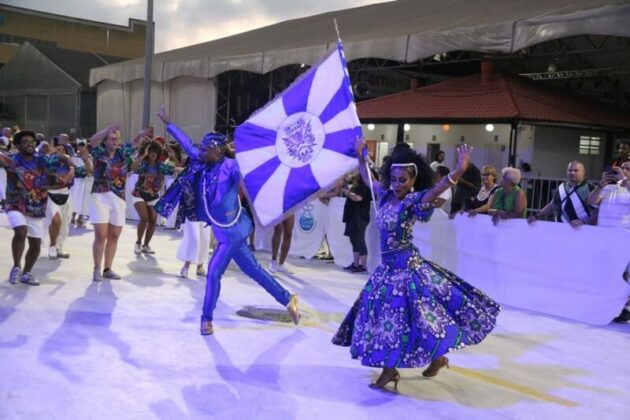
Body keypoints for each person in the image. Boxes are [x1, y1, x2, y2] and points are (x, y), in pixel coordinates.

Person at [332, 141, 500, 390]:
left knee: (408, 319)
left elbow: (439, 188)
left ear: (412, 181)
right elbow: (368, 179)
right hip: (387, 270)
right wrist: (360, 158)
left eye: (403, 180)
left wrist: (459, 170)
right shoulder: (386, 195)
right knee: (394, 319)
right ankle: (431, 360)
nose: (398, 184)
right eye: (394, 179)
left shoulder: (412, 202)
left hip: (407, 270)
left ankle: (394, 370)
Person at [155, 106, 300, 336]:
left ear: (217, 151)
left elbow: (252, 179)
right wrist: (169, 123)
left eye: (205, 149)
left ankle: (206, 319)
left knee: (213, 273)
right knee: (256, 272)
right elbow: (186, 144)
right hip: (223, 232)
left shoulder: (232, 167)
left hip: (233, 231)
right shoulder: (203, 162)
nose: (200, 151)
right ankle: (288, 299)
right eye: (201, 148)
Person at [0, 130, 75, 285]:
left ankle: (26, 273)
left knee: (35, 245)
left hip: (36, 207)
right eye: (26, 141)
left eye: (32, 141)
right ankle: (16, 267)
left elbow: (61, 157)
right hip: (16, 204)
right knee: (21, 231)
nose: (30, 144)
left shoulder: (42, 160)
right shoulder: (11, 160)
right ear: (18, 145)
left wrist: (71, 167)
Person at [88, 124, 145, 281]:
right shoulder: (99, 151)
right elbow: (93, 140)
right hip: (100, 194)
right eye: (112, 138)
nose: (115, 141)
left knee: (114, 235)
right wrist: (106, 130)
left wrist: (141, 134)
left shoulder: (123, 152)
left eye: (117, 138)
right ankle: (96, 268)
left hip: (119, 197)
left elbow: (134, 142)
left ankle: (108, 269)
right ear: (105, 140)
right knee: (101, 234)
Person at [129, 140, 176, 255]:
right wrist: (143, 155)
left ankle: (146, 245)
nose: (153, 154)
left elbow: (175, 169)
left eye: (155, 152)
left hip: (153, 195)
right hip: (139, 193)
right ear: (147, 152)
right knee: (144, 218)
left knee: (153, 220)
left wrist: (184, 167)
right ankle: (138, 243)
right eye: (151, 151)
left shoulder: (161, 166)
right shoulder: (143, 165)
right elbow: (133, 167)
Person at [528, 161, 596, 228]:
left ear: (583, 172)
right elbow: (552, 205)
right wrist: (536, 216)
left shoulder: (591, 188)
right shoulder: (562, 186)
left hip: (581, 231)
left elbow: (597, 213)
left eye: (576, 170)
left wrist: (583, 222)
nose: (572, 173)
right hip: (560, 229)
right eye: (570, 170)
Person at [46, 142, 76, 259]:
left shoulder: (70, 165)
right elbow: (54, 179)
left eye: (63, 150)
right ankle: (52, 246)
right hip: (51, 195)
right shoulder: (49, 163)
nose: (60, 151)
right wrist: (71, 169)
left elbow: (85, 172)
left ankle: (59, 247)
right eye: (58, 149)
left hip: (66, 195)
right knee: (56, 221)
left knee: (64, 224)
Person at [341, 171, 371, 273]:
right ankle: (355, 264)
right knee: (354, 240)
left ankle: (363, 266)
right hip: (353, 216)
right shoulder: (356, 183)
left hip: (360, 216)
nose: (351, 172)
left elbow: (358, 198)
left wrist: (346, 192)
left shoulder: (364, 183)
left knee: (360, 240)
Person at [588, 161, 630, 229]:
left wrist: (624, 179)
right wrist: (600, 186)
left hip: (624, 234)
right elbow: (592, 201)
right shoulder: (609, 187)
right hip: (604, 232)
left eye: (628, 169)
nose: (624, 171)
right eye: (622, 168)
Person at [69, 139, 93, 228]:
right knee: (76, 199)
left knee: (85, 201)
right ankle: (72, 218)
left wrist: (89, 172)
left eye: (83, 146)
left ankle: (80, 219)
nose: (81, 148)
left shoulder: (90, 157)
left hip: (88, 181)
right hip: (78, 182)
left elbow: (91, 169)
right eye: (80, 146)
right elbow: (73, 168)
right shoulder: (74, 157)